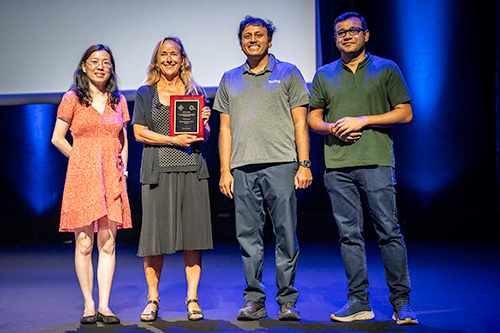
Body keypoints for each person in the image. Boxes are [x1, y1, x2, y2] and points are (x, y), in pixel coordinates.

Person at [309, 12, 418, 325]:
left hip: (376, 162)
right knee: (349, 236)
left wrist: (363, 120)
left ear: (366, 35)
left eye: (354, 31)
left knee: (389, 232)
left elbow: (405, 113)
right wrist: (332, 128)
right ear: (335, 39)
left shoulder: (386, 68)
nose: (347, 36)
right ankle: (359, 301)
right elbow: (313, 119)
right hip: (338, 167)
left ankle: (402, 303)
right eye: (341, 32)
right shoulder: (324, 74)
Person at [213, 15, 312, 321]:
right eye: (246, 35)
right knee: (248, 237)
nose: (252, 39)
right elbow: (225, 129)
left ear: (270, 40)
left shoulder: (289, 72)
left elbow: (300, 122)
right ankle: (254, 299)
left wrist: (304, 164)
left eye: (258, 35)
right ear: (240, 41)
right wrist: (225, 170)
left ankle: (287, 300)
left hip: (282, 164)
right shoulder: (229, 77)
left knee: (285, 234)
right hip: (242, 168)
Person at [132, 36, 213, 322]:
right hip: (157, 173)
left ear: (182, 59)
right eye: (163, 54)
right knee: (154, 239)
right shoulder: (145, 93)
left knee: (193, 237)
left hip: (192, 168)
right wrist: (173, 140)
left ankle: (192, 299)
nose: (169, 59)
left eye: (174, 54)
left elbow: (202, 135)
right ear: (156, 59)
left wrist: (203, 123)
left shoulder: (194, 91)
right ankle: (153, 299)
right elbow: (139, 132)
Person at [51, 44, 132, 325]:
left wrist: (123, 166)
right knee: (84, 243)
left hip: (111, 176)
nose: (100, 66)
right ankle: (88, 305)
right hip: (82, 177)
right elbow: (57, 137)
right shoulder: (72, 98)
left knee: (107, 243)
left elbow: (122, 140)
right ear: (84, 66)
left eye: (106, 62)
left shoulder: (118, 100)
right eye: (94, 61)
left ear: (111, 68)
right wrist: (81, 160)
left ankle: (105, 306)